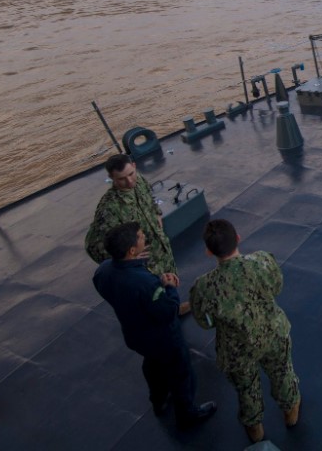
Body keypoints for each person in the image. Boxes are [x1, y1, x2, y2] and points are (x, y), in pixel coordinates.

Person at [92, 221, 217, 428]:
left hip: (135, 335)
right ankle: (186, 413)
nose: (144, 238)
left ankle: (158, 401)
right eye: (141, 237)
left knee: (152, 366)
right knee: (181, 372)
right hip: (163, 338)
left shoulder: (104, 270)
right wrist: (169, 288)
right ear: (132, 250)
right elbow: (168, 312)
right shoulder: (144, 283)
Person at [190, 218, 301, 443]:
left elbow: (205, 322)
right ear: (238, 238)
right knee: (282, 374)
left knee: (247, 390)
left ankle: (256, 434)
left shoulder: (204, 287)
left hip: (236, 350)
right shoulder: (262, 261)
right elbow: (277, 286)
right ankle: (291, 416)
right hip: (273, 334)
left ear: (209, 252)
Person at [85, 153, 190, 314]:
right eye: (121, 179)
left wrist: (157, 213)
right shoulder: (110, 207)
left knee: (168, 285)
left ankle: (173, 309)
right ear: (111, 178)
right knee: (151, 299)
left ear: (134, 166)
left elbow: (150, 198)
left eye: (131, 174)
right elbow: (93, 246)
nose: (129, 181)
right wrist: (122, 259)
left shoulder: (139, 181)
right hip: (143, 264)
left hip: (161, 250)